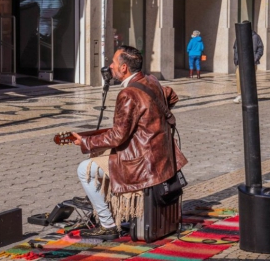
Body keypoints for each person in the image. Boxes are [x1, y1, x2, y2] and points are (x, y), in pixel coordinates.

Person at [70, 46, 187, 239]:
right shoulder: (152, 80)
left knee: (84, 169)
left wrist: (86, 141)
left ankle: (107, 225)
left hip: (142, 162)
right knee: (101, 158)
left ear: (124, 68)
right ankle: (111, 211)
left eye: (114, 63)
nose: (110, 66)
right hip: (161, 154)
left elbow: (117, 137)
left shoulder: (128, 94)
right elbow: (171, 95)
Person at [232, 21, 264, 103]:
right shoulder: (239, 36)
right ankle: (239, 95)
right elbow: (235, 48)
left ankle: (250, 96)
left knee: (250, 80)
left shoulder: (256, 37)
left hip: (252, 62)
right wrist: (236, 59)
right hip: (240, 62)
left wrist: (255, 59)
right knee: (239, 78)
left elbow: (260, 49)